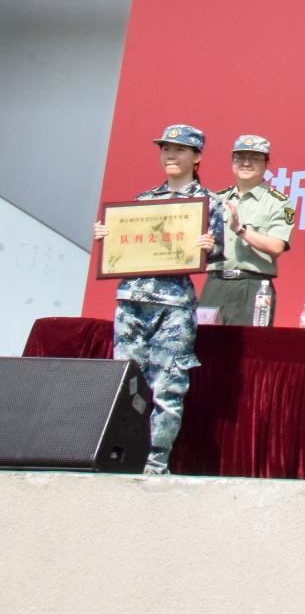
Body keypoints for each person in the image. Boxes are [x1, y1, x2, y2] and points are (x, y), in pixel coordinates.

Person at [94, 123, 221, 474]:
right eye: (165, 149)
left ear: (197, 156)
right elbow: (122, 248)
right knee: (126, 385)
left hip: (173, 306)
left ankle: (154, 463)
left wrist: (209, 247)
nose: (170, 155)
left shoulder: (210, 204)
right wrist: (107, 237)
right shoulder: (143, 201)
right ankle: (121, 459)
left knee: (168, 388)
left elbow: (217, 254)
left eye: (179, 149)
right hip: (132, 301)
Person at [199, 134, 293, 326]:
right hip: (215, 283)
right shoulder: (216, 199)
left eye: (254, 158)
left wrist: (240, 230)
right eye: (240, 157)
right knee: (205, 342)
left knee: (249, 344)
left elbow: (276, 246)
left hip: (252, 287)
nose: (246, 163)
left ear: (267, 164)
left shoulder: (278, 202)